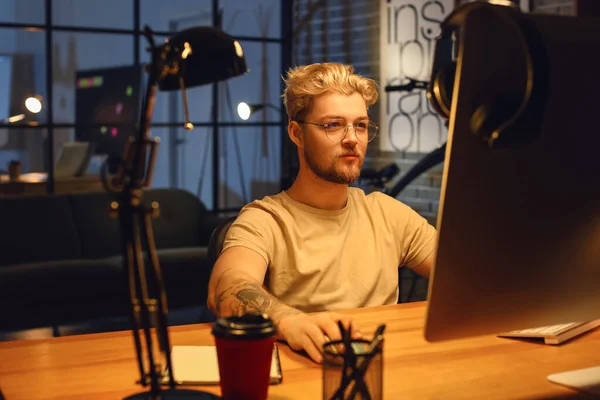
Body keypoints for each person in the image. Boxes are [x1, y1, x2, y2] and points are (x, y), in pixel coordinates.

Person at [207, 62, 437, 363]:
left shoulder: (387, 214)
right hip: (308, 371)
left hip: (383, 367)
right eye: (333, 125)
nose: (352, 138)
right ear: (297, 133)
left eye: (361, 125)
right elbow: (227, 287)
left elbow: (461, 273)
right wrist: (290, 322)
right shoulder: (265, 219)